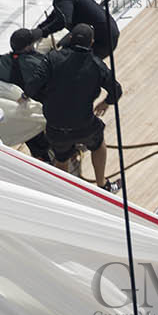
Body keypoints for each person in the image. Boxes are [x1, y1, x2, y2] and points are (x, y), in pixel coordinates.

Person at [41, 25, 123, 191]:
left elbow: (35, 84)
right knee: (98, 144)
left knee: (61, 157)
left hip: (56, 126)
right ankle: (102, 184)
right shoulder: (96, 65)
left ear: (70, 38)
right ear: (91, 42)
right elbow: (116, 90)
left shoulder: (52, 58)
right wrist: (106, 102)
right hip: (83, 125)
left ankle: (63, 192)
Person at [0, 27, 53, 160]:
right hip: (42, 107)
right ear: (28, 47)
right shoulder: (38, 63)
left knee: (34, 140)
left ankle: (44, 161)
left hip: (20, 111)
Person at [33, 0, 119, 58]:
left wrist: (42, 32)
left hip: (102, 40)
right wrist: (40, 28)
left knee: (71, 64)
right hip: (109, 31)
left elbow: (63, 20)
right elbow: (57, 14)